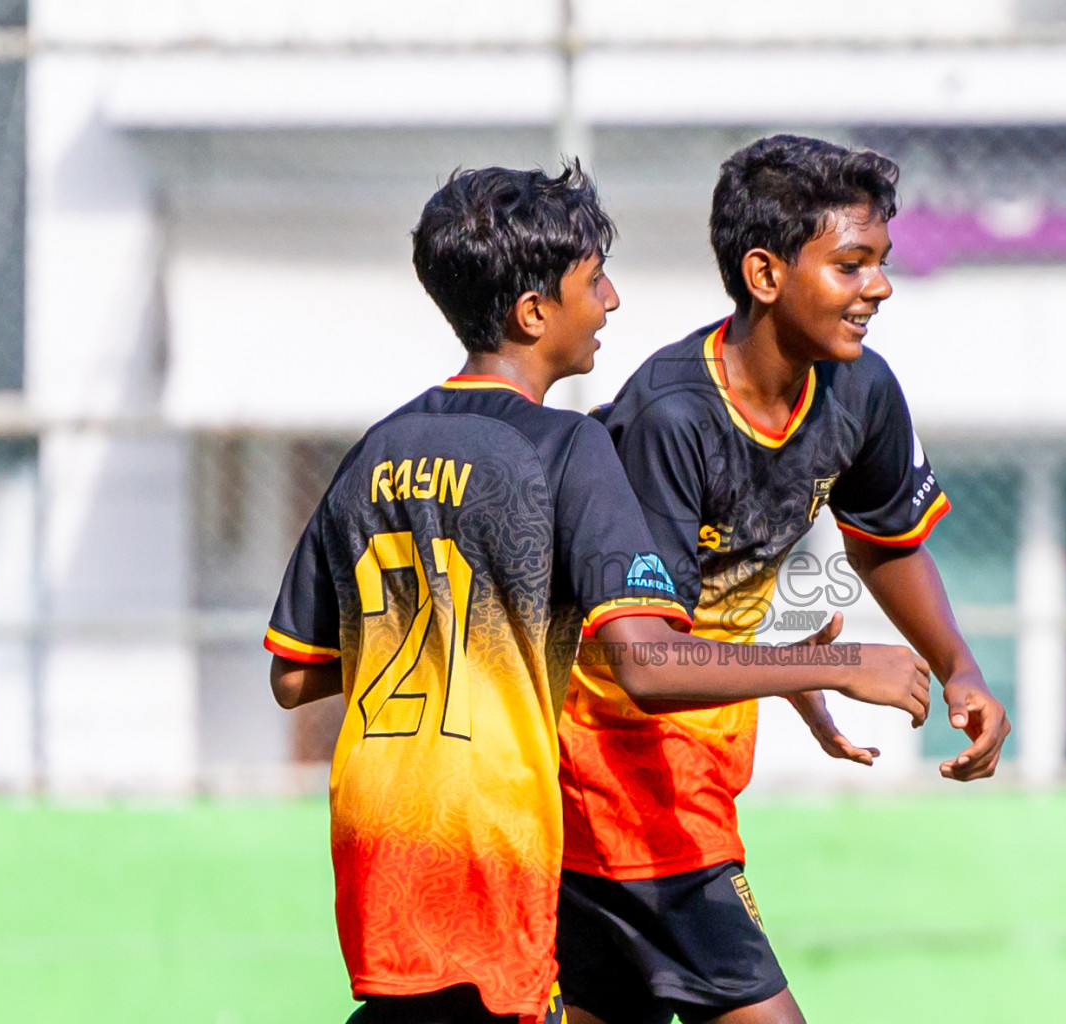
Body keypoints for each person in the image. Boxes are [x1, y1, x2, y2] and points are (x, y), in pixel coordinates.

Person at [262, 162, 932, 1024]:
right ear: (534, 313)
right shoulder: (567, 451)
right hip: (501, 823)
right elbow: (646, 665)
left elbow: (294, 676)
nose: (611, 300)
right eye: (593, 280)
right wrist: (842, 662)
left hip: (379, 836)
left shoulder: (378, 448)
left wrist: (467, 648)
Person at [556, 136, 1013, 1024]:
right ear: (764, 273)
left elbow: (887, 541)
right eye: (850, 265)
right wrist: (831, 668)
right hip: (615, 770)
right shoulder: (672, 419)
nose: (877, 288)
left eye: (880, 263)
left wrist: (960, 667)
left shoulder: (860, 392)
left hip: (692, 766)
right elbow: (647, 667)